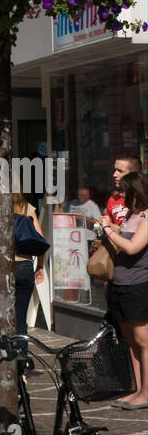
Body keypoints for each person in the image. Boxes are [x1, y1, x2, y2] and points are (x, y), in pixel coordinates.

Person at [99, 171, 147, 409]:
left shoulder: (147, 217)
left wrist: (109, 232)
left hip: (138, 285)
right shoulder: (130, 215)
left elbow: (132, 247)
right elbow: (123, 236)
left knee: (143, 339)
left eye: (124, 191)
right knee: (130, 339)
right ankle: (137, 389)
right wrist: (109, 226)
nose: (120, 195)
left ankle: (147, 392)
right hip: (120, 283)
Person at [0, 188, 46, 340]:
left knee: (2, 319)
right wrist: (40, 267)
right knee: (21, 319)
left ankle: (6, 358)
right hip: (25, 267)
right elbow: (40, 240)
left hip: (2, 267)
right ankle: (21, 358)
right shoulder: (27, 208)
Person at [106, 157, 143, 226]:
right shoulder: (113, 200)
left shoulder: (144, 198)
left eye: (120, 171)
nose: (114, 175)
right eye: (115, 170)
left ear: (134, 175)